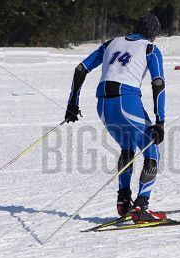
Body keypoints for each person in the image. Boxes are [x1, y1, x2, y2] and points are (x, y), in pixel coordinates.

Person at [65, 13, 166, 223]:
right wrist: (160, 121)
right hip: (126, 101)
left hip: (103, 104)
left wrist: (72, 105)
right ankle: (141, 206)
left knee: (127, 147)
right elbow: (158, 83)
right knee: (151, 149)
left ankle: (123, 200)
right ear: (154, 34)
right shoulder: (150, 48)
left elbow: (81, 69)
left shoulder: (111, 42)